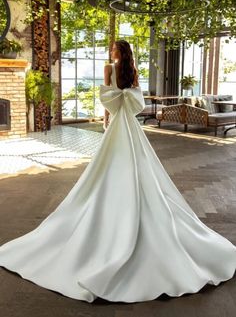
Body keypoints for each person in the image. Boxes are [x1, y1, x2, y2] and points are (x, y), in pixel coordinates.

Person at [0, 39, 235, 303]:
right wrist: (116, 111)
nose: (111, 52)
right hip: (130, 127)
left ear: (117, 52)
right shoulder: (132, 71)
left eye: (113, 49)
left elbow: (107, 100)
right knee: (137, 162)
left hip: (118, 124)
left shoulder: (109, 68)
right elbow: (134, 101)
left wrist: (106, 119)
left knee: (108, 165)